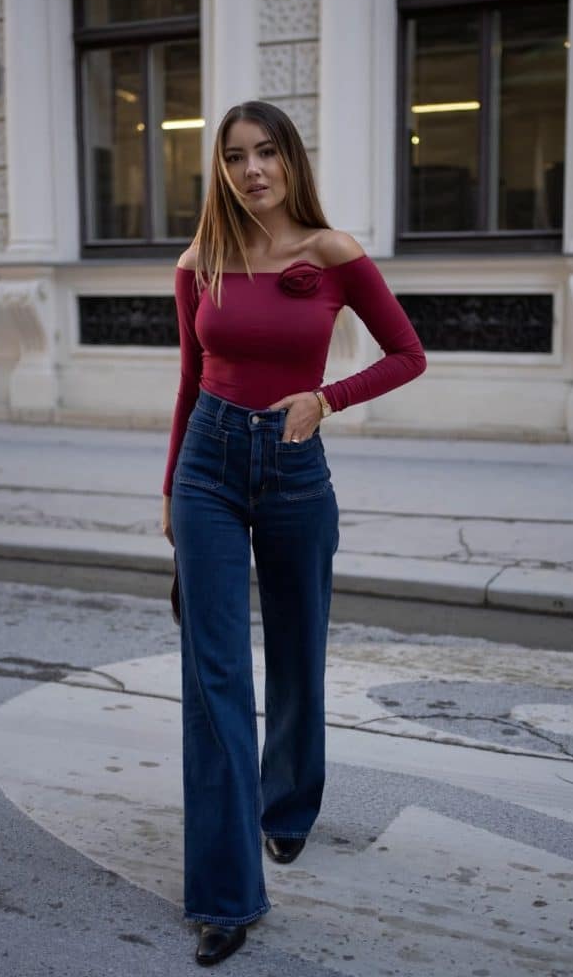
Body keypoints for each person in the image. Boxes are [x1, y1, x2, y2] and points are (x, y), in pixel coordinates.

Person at [161, 100, 426, 967]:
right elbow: (190, 382)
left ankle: (287, 809)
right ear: (221, 171)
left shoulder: (333, 254)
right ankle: (226, 896)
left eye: (265, 152)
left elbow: (406, 354)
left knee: (298, 652)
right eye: (234, 157)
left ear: (290, 160)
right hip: (207, 462)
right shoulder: (199, 261)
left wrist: (326, 400)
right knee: (214, 680)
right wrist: (170, 489)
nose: (251, 171)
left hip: (293, 466)